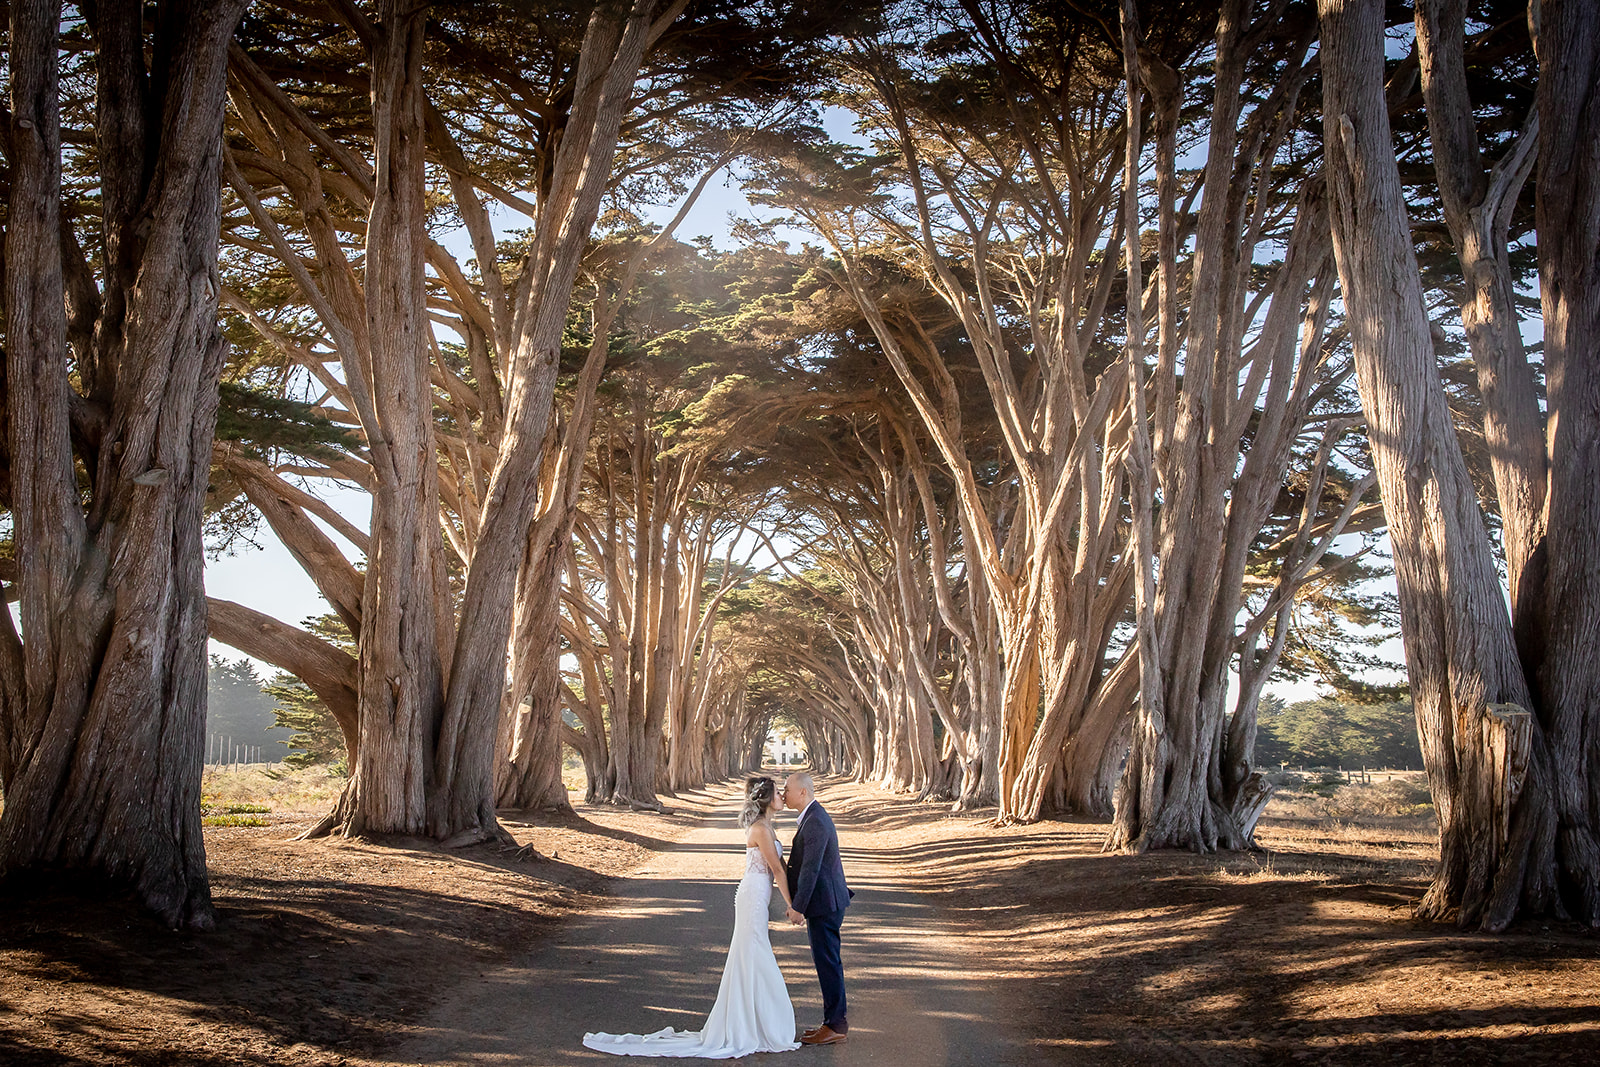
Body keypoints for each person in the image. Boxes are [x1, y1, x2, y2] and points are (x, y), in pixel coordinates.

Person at [582, 776, 802, 1058]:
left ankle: (755, 1021)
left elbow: (780, 868)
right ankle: (750, 1025)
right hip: (751, 897)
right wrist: (793, 906)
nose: (783, 796)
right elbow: (778, 869)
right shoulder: (760, 828)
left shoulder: (767, 826)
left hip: (758, 894)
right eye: (778, 794)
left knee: (752, 955)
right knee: (754, 953)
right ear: (768, 799)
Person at [781, 773, 853, 1046]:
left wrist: (798, 907)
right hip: (825, 903)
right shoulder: (812, 817)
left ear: (803, 792)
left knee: (828, 963)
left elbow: (811, 869)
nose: (783, 794)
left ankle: (835, 1024)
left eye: (787, 789)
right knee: (827, 962)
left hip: (825, 904)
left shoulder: (816, 822)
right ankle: (833, 1022)